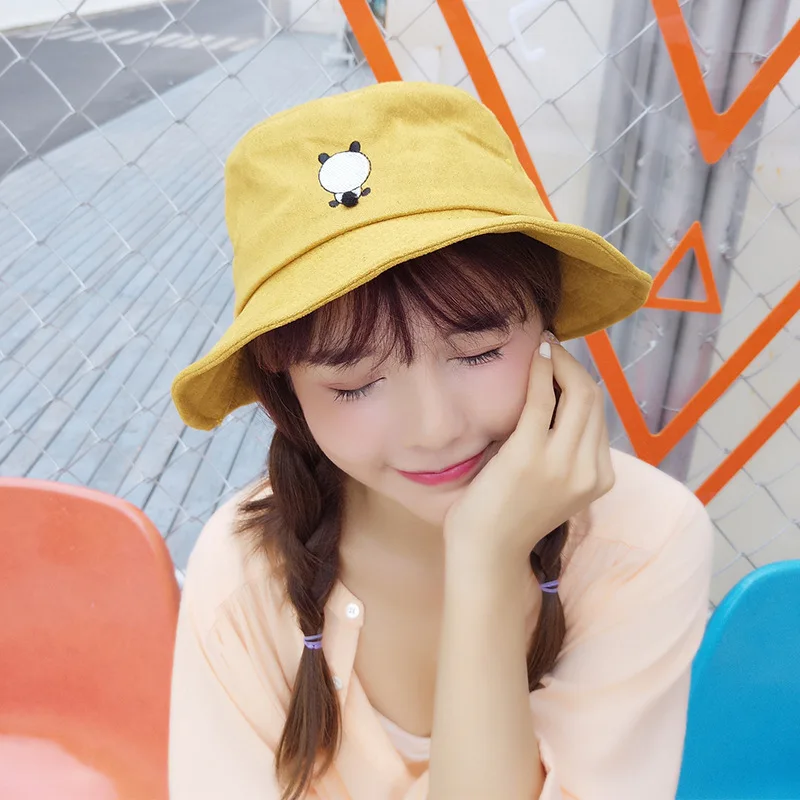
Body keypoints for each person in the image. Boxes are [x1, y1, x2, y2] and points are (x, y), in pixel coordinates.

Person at [168, 82, 714, 800]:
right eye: (354, 385)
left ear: (548, 331)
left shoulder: (643, 540)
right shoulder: (245, 575)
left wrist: (486, 559)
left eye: (479, 352)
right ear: (287, 395)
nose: (435, 428)